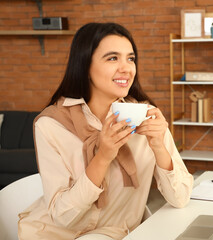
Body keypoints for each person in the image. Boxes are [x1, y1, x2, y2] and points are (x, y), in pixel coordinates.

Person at [18, 22, 194, 240]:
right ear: (85, 65)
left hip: (117, 235)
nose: (126, 68)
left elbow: (181, 198)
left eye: (130, 58)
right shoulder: (51, 124)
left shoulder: (146, 117)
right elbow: (62, 217)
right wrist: (102, 156)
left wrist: (158, 145)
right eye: (112, 58)